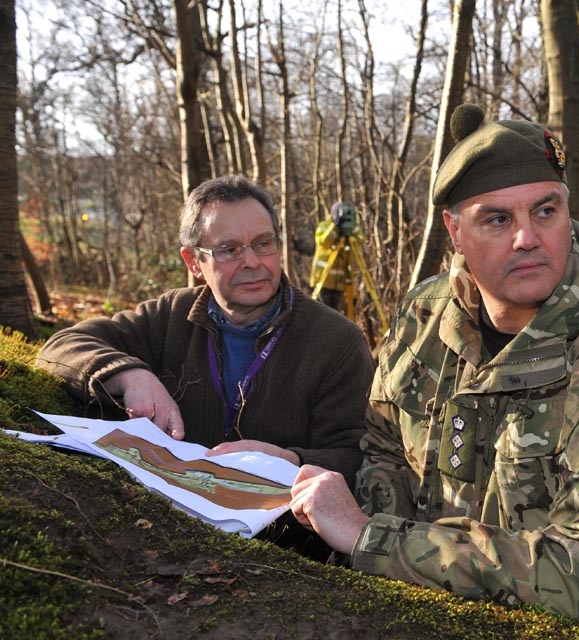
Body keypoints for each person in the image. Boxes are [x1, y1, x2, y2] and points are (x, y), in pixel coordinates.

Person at [289, 104, 579, 633]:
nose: (527, 238)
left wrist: (371, 538)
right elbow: (383, 448)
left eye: (545, 212)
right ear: (455, 232)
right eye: (498, 219)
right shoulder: (424, 317)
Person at [37, 175, 374, 476]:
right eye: (229, 249)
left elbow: (360, 457)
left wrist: (290, 461)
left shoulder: (337, 341)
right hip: (172, 518)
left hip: (285, 535)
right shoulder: (171, 314)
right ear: (193, 262)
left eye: (263, 243)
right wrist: (130, 375)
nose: (253, 262)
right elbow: (60, 346)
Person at [309, 202, 363, 311]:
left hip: (338, 285)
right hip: (323, 282)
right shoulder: (324, 226)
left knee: (335, 317)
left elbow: (361, 240)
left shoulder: (348, 233)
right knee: (322, 315)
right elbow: (325, 242)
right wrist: (335, 226)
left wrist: (353, 227)